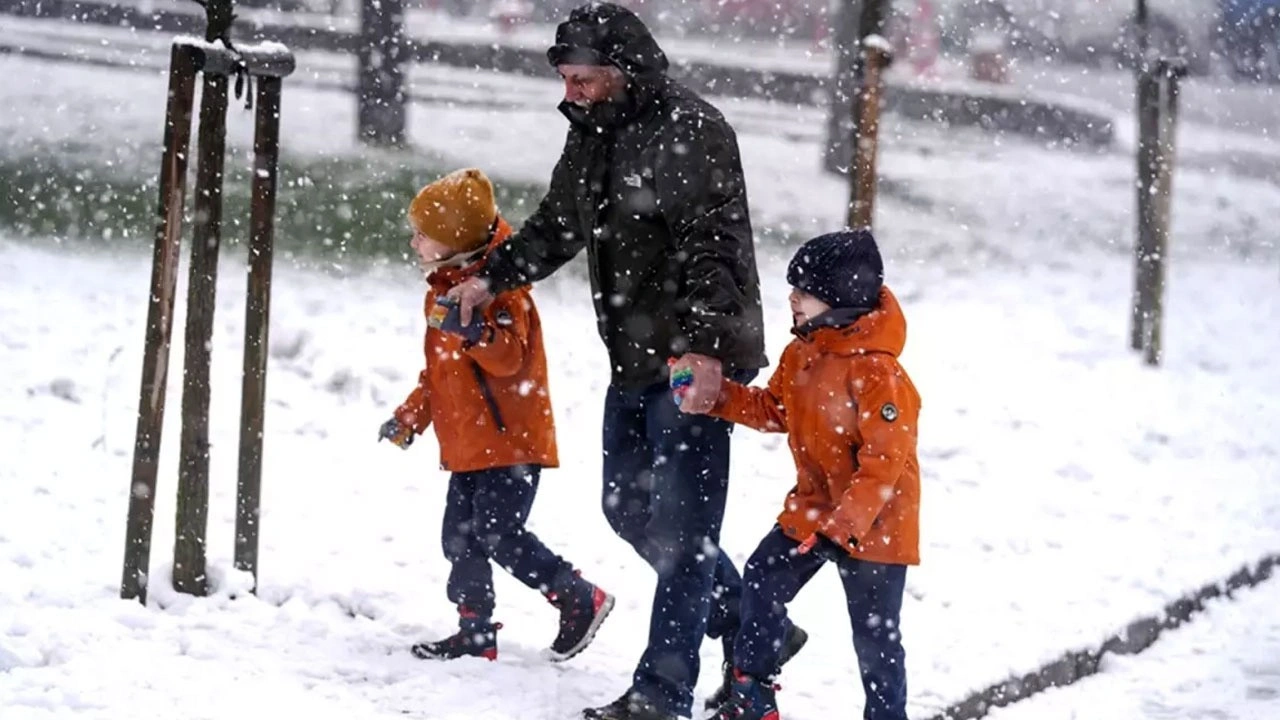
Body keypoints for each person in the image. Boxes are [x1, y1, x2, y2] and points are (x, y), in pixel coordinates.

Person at [446, 4, 806, 718]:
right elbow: (558, 223)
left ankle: (661, 693)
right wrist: (494, 278)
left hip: (693, 362)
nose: (571, 94)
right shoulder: (594, 135)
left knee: (684, 534)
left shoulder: (690, 132)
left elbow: (715, 249)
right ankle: (752, 623)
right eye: (567, 81)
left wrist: (704, 352)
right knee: (627, 507)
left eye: (582, 81)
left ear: (623, 73)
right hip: (635, 357)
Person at [684, 229, 922, 720]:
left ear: (839, 298)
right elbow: (774, 409)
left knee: (875, 636)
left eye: (804, 291)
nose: (792, 298)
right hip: (815, 508)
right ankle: (752, 697)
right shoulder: (803, 354)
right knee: (762, 579)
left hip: (876, 524)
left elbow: (885, 465)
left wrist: (846, 527)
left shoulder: (880, 374)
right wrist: (715, 395)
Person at [380, 168, 614, 664]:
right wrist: (409, 418)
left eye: (424, 233)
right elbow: (440, 374)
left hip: (510, 443)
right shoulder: (443, 291)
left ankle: (576, 595)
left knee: (498, 534)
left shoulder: (503, 294)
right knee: (458, 537)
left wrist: (474, 333)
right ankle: (475, 630)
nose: (414, 240)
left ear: (455, 242)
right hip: (469, 444)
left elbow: (509, 359)